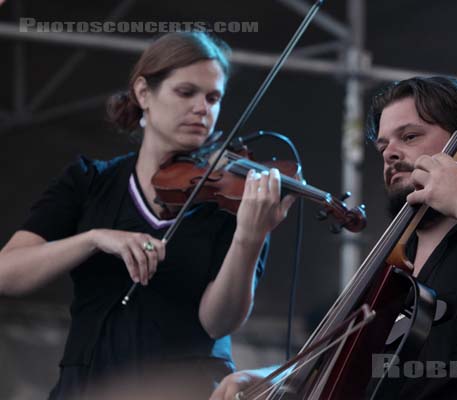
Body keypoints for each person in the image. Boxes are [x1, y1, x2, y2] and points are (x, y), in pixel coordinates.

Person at [209, 76, 457, 400]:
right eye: (383, 146)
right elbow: (349, 370)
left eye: (409, 137)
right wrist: (274, 378)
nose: (390, 153)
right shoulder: (392, 266)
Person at [0, 32, 295, 399]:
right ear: (143, 94)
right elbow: (7, 274)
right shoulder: (91, 181)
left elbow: (217, 322)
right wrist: (93, 238)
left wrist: (249, 238)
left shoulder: (235, 200)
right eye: (186, 92)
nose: (203, 108)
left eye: (213, 97)